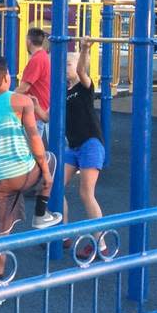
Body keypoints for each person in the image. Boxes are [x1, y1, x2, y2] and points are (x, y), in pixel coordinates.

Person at [0, 56, 62, 274]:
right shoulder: (20, 101)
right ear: (6, 77)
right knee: (51, 158)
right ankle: (40, 214)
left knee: (0, 233)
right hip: (23, 174)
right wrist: (46, 173)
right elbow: (35, 137)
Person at [62, 39, 107, 258]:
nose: (66, 68)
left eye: (69, 64)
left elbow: (81, 69)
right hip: (74, 147)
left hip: (90, 143)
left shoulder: (85, 87)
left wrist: (84, 50)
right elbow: (47, 116)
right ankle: (64, 233)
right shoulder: (62, 92)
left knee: (86, 193)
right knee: (54, 188)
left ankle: (102, 243)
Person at [16, 27, 50, 141]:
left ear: (28, 41)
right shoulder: (43, 56)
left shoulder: (37, 59)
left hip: (35, 112)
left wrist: (6, 97)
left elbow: (24, 87)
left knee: (30, 149)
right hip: (40, 109)